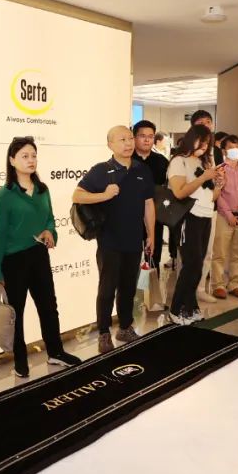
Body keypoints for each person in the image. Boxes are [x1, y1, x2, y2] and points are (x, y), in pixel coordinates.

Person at [0, 137, 82, 378]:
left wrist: (51, 232)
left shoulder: (42, 190)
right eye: (24, 156)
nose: (31, 160)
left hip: (39, 255)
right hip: (13, 261)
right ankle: (20, 361)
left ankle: (56, 352)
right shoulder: (5, 196)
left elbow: (50, 219)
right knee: (16, 313)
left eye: (33, 155)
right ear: (12, 161)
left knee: (49, 306)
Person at [73, 126, 156, 354]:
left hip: (134, 240)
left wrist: (151, 234)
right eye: (122, 139)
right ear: (110, 145)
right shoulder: (101, 170)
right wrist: (104, 195)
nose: (128, 143)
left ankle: (125, 328)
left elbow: (148, 203)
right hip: (109, 241)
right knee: (107, 289)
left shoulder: (142, 169)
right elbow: (77, 195)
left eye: (130, 138)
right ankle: (103, 333)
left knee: (128, 287)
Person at [166, 125, 223, 324]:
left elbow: (211, 197)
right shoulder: (178, 161)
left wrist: (219, 184)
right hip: (188, 217)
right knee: (192, 265)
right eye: (201, 140)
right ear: (191, 139)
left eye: (207, 142)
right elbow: (180, 192)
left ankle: (190, 307)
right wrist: (204, 177)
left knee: (198, 266)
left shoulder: (204, 162)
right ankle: (176, 309)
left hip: (206, 216)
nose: (204, 145)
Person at [211, 135, 238, 299]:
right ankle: (218, 285)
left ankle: (234, 284)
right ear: (224, 150)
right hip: (224, 217)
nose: (235, 150)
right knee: (220, 253)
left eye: (237, 147)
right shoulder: (219, 170)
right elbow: (218, 195)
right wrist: (228, 214)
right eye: (231, 147)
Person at [131, 120, 169, 267]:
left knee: (153, 257)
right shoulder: (127, 159)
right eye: (142, 136)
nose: (147, 140)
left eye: (150, 136)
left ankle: (151, 281)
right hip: (130, 217)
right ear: (134, 137)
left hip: (155, 216)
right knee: (131, 259)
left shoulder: (162, 161)